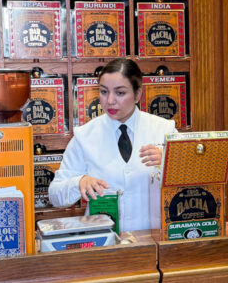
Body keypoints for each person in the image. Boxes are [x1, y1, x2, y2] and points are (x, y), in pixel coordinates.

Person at [48, 58, 176, 232]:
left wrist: (172, 164)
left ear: (138, 94)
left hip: (153, 242)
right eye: (103, 91)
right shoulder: (84, 136)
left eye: (120, 93)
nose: (110, 101)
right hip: (104, 244)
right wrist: (79, 182)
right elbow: (55, 195)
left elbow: (198, 180)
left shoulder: (164, 130)